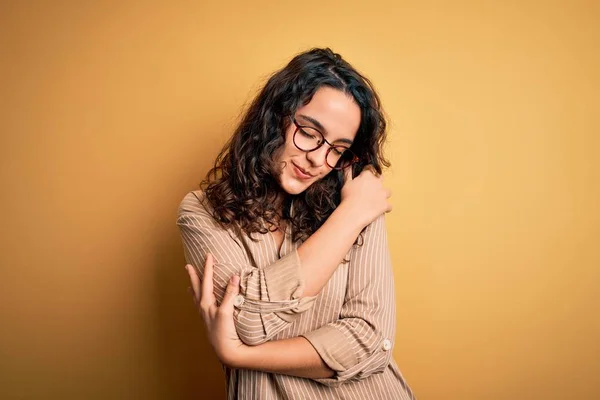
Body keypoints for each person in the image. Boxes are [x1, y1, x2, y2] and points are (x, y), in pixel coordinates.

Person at [177, 48, 416, 399]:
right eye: (309, 132)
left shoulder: (356, 201)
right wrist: (348, 218)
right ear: (274, 119)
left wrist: (238, 354)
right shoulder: (202, 212)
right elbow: (247, 323)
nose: (319, 159)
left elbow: (370, 340)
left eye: (338, 149)